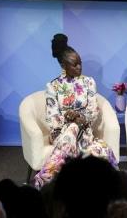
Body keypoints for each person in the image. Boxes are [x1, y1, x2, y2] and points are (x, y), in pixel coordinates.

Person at [32, 34, 117, 187]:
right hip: (61, 133)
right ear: (64, 65)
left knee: (88, 137)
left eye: (80, 63)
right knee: (72, 127)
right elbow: (52, 118)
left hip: (84, 132)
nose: (79, 67)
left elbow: (93, 111)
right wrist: (69, 118)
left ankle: (43, 180)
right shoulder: (53, 86)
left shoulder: (88, 82)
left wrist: (80, 117)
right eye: (74, 64)